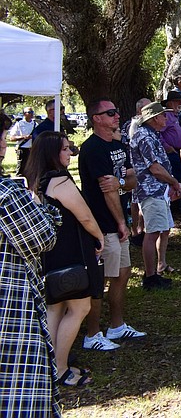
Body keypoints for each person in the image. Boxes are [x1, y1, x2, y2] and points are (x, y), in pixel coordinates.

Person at [25, 131, 104, 387]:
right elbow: (85, 216)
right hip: (71, 252)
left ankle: (49, 367)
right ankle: (60, 369)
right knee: (80, 308)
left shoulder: (35, 179)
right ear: (52, 153)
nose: (70, 153)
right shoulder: (59, 180)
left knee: (56, 308)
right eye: (65, 149)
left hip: (50, 254)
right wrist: (99, 237)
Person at [80, 99, 147, 352]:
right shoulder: (93, 148)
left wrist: (120, 183)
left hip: (118, 223)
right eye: (110, 113)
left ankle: (117, 326)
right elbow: (106, 190)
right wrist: (120, 222)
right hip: (102, 223)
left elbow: (132, 179)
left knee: (123, 272)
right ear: (96, 118)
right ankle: (92, 334)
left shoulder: (118, 145)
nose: (116, 116)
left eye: (116, 111)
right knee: (99, 280)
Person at [0, 177, 60, 414]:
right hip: (11, 312)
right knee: (20, 390)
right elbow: (42, 237)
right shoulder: (6, 194)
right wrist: (37, 205)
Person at [129, 102, 181, 291]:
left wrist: (170, 183)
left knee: (162, 229)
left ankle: (158, 269)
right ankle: (150, 277)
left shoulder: (151, 135)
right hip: (151, 191)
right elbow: (155, 168)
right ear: (154, 118)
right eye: (163, 115)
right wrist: (174, 182)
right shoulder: (145, 136)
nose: (166, 118)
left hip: (158, 190)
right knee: (152, 232)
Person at [8, 106, 35, 175]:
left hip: (32, 149)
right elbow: (11, 138)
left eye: (32, 112)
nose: (32, 114)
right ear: (24, 114)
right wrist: (23, 137)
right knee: (21, 168)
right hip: (22, 149)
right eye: (29, 112)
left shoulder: (35, 124)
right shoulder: (19, 124)